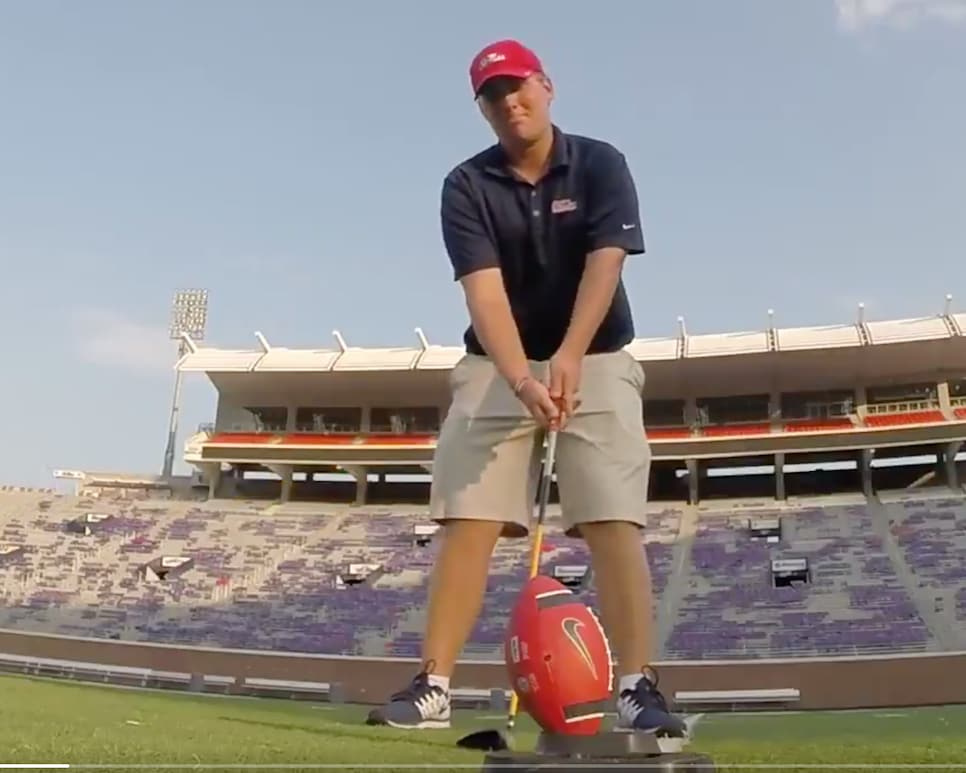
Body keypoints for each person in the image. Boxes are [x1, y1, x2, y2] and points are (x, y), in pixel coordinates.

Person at [366, 39, 686, 739]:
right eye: (492, 94)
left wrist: (569, 353)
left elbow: (607, 264)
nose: (509, 100)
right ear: (482, 110)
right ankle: (436, 685)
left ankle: (636, 684)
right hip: (496, 362)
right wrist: (520, 376)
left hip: (596, 352)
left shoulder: (601, 162)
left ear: (546, 86)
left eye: (519, 86)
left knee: (613, 517)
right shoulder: (466, 184)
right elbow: (484, 293)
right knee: (467, 517)